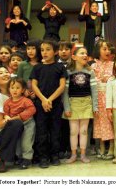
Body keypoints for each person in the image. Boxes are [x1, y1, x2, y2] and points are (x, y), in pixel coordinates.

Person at [30, 39, 67, 168]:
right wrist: (44, 100)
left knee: (56, 130)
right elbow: (34, 85)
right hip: (41, 104)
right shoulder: (37, 67)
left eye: (48, 49)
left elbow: (62, 86)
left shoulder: (60, 67)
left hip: (55, 104)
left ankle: (55, 155)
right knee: (42, 131)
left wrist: (50, 99)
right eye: (42, 50)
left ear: (55, 51)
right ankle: (43, 157)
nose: (44, 52)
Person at [62, 46, 98, 164]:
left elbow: (94, 90)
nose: (84, 55)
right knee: (73, 131)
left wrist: (95, 106)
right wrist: (67, 107)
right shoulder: (68, 72)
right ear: (74, 57)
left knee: (83, 131)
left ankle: (82, 154)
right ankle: (73, 154)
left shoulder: (90, 72)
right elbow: (65, 92)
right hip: (73, 104)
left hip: (86, 103)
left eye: (86, 53)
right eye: (81, 53)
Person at [0, 66, 24, 172]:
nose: (5, 74)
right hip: (1, 134)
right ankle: (0, 158)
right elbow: (0, 124)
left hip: (17, 128)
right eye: (1, 73)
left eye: (6, 72)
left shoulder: (14, 92)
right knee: (17, 123)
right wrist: (14, 117)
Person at [3, 78, 36, 169]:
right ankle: (20, 157)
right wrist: (6, 117)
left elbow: (32, 109)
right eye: (12, 87)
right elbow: (6, 113)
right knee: (17, 143)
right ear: (9, 89)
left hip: (27, 124)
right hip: (16, 126)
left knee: (26, 142)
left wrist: (19, 116)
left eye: (18, 88)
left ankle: (27, 159)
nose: (15, 90)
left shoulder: (26, 100)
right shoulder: (7, 102)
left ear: (22, 90)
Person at [91, 39, 114, 159]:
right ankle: (101, 147)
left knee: (110, 122)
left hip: (110, 95)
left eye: (108, 49)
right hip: (98, 96)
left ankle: (111, 147)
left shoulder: (113, 64)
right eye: (104, 49)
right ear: (98, 51)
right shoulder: (93, 65)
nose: (107, 51)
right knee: (99, 122)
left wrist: (108, 79)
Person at [57, 41, 72, 159]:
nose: (63, 51)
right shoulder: (54, 64)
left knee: (70, 125)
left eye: (66, 49)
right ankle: (60, 148)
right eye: (61, 49)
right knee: (60, 125)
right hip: (57, 98)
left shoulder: (75, 64)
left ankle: (70, 148)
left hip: (72, 98)